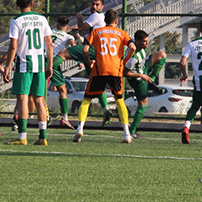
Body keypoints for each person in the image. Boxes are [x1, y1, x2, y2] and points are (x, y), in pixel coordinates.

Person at [73, 9, 137, 144]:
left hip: (99, 69)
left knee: (86, 100)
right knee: (119, 100)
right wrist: (124, 61)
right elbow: (133, 47)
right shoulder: (121, 33)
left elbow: (85, 49)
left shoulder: (97, 32)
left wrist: (89, 61)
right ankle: (126, 134)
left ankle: (80, 128)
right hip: (115, 70)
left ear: (104, 20)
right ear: (116, 21)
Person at [2, 0, 53, 146]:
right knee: (39, 100)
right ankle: (43, 136)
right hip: (40, 63)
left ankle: (22, 136)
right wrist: (49, 65)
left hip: (24, 63)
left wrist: (7, 66)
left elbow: (13, 47)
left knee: (23, 98)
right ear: (32, 4)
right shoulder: (42, 19)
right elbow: (49, 44)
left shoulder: (16, 21)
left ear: (17, 4)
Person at [123, 30, 167, 138]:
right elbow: (124, 72)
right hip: (138, 79)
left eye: (147, 41)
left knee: (162, 55)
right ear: (137, 41)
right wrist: (141, 76)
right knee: (143, 105)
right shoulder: (133, 58)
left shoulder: (135, 43)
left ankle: (150, 80)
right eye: (144, 42)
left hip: (143, 66)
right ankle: (132, 131)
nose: (147, 44)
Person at [48, 16, 77, 129]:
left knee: (34, 90)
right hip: (52, 61)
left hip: (40, 59)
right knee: (62, 90)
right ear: (68, 27)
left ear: (57, 25)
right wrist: (79, 60)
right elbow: (73, 46)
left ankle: (20, 116)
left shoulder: (50, 31)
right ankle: (64, 117)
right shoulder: (68, 36)